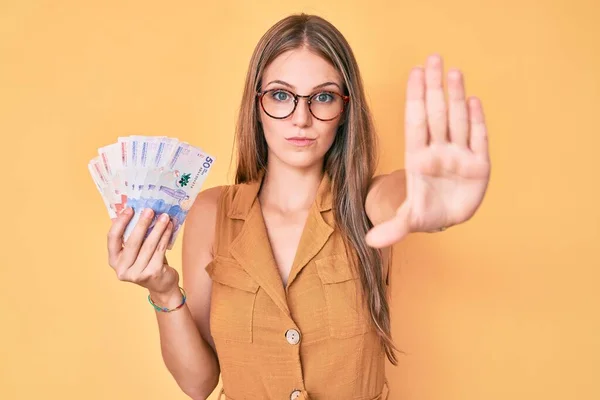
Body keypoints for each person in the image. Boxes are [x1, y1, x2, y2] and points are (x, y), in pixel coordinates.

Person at [106, 13, 491, 400]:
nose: (301, 118)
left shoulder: (364, 202)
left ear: (344, 110)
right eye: (280, 95)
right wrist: (165, 293)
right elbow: (199, 382)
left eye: (322, 96)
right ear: (256, 104)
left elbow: (395, 195)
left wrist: (427, 197)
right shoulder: (212, 212)